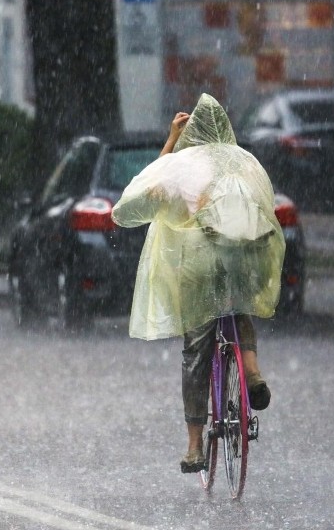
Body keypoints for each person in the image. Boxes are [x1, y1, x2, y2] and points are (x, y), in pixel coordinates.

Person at [111, 93, 286, 473]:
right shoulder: (245, 163)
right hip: (245, 256)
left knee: (197, 352)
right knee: (239, 306)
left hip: (201, 263)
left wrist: (172, 140)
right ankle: (252, 374)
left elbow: (140, 198)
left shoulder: (182, 165)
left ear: (193, 131)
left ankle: (194, 447)